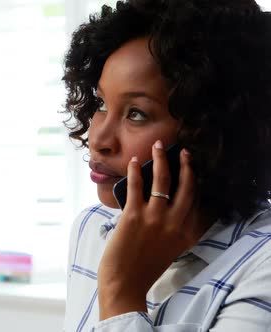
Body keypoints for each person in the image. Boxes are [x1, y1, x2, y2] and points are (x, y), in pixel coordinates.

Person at [62, 0, 271, 330]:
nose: (98, 137)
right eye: (101, 103)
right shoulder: (94, 228)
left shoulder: (263, 267)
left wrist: (121, 292)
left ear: (211, 133)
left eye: (136, 113)